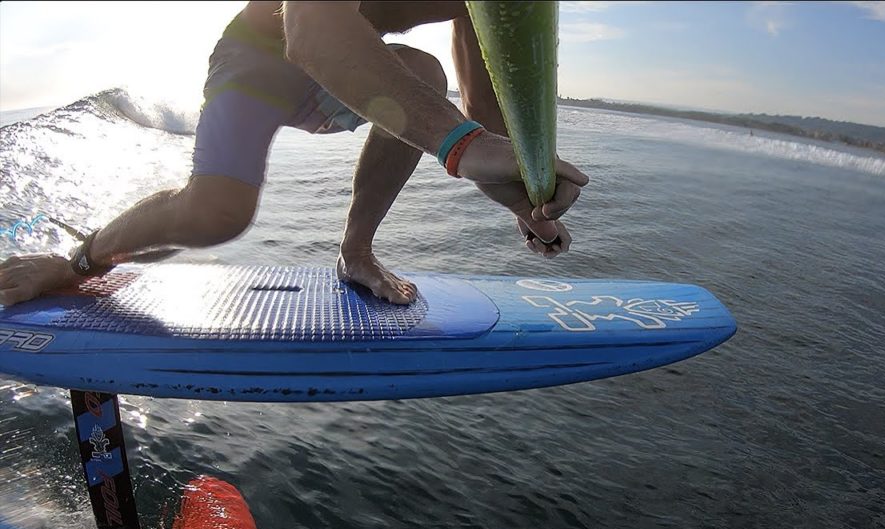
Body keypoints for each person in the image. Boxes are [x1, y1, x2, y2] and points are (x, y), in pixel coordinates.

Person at [0, 1, 589, 307]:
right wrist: (462, 146)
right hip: (257, 57)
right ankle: (82, 259)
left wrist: (514, 197)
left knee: (424, 73)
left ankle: (356, 252)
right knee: (215, 214)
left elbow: (482, 98)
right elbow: (310, 28)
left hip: (335, 81)